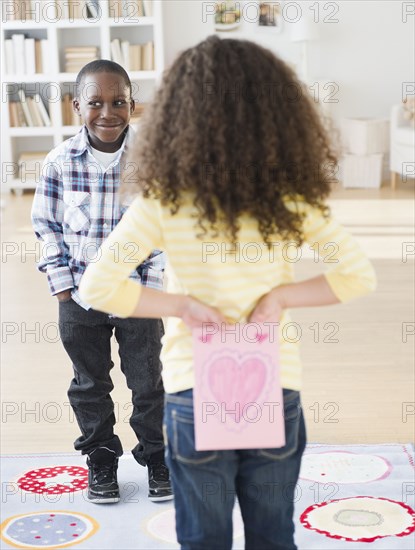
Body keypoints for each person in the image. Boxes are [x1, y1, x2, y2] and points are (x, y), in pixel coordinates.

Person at [79, 37, 376, 549]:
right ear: (278, 116)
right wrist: (280, 298)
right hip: (272, 386)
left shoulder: (163, 203)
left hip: (195, 392)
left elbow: (97, 285)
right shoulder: (289, 201)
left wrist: (182, 307)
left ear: (178, 116)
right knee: (272, 536)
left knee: (202, 538)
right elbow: (357, 275)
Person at [31, 60, 172, 504]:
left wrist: (149, 290)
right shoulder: (58, 163)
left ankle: (157, 457)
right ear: (78, 106)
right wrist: (60, 283)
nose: (107, 112)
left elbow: (164, 230)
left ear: (134, 105)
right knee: (90, 384)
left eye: (118, 102)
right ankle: (101, 457)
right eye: (96, 102)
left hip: (137, 296)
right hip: (78, 297)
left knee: (147, 382)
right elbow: (45, 226)